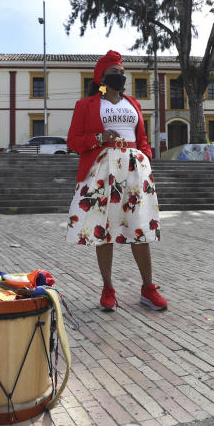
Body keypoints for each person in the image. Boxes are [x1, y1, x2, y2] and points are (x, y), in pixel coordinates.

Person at [66, 50, 166, 311]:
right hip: (102, 170)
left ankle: (148, 287)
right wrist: (99, 138)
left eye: (122, 73)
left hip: (133, 169)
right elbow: (73, 141)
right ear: (101, 77)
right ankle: (108, 288)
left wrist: (146, 158)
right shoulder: (86, 105)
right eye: (114, 73)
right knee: (104, 230)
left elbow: (142, 137)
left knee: (140, 228)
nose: (120, 77)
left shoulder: (133, 103)